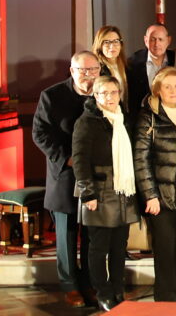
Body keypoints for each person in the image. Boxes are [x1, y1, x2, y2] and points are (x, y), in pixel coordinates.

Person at [33, 50, 100, 307]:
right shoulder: (51, 96)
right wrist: (67, 158)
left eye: (93, 70)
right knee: (67, 231)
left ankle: (90, 283)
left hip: (95, 174)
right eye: (83, 70)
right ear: (72, 71)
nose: (88, 75)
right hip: (65, 173)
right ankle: (70, 285)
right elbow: (40, 133)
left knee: (93, 232)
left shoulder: (103, 93)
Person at [72, 75, 138, 312]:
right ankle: (103, 292)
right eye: (104, 93)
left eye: (114, 92)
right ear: (96, 95)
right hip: (98, 190)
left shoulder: (123, 119)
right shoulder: (87, 121)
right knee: (99, 247)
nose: (110, 97)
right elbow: (79, 159)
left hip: (123, 190)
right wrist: (88, 194)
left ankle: (118, 289)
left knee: (120, 246)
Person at [133, 66, 176, 302]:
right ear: (157, 89)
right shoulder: (148, 116)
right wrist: (150, 195)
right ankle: (166, 298)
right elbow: (141, 158)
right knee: (165, 248)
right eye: (167, 86)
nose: (172, 90)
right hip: (160, 193)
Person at [128, 24, 173, 117]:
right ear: (145, 40)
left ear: (168, 41)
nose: (156, 44)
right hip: (142, 119)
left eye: (160, 39)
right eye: (153, 39)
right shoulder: (133, 62)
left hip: (171, 116)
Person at [92, 25, 129, 112]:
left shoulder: (128, 66)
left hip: (126, 116)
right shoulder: (96, 69)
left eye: (116, 41)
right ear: (100, 45)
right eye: (107, 42)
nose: (112, 46)